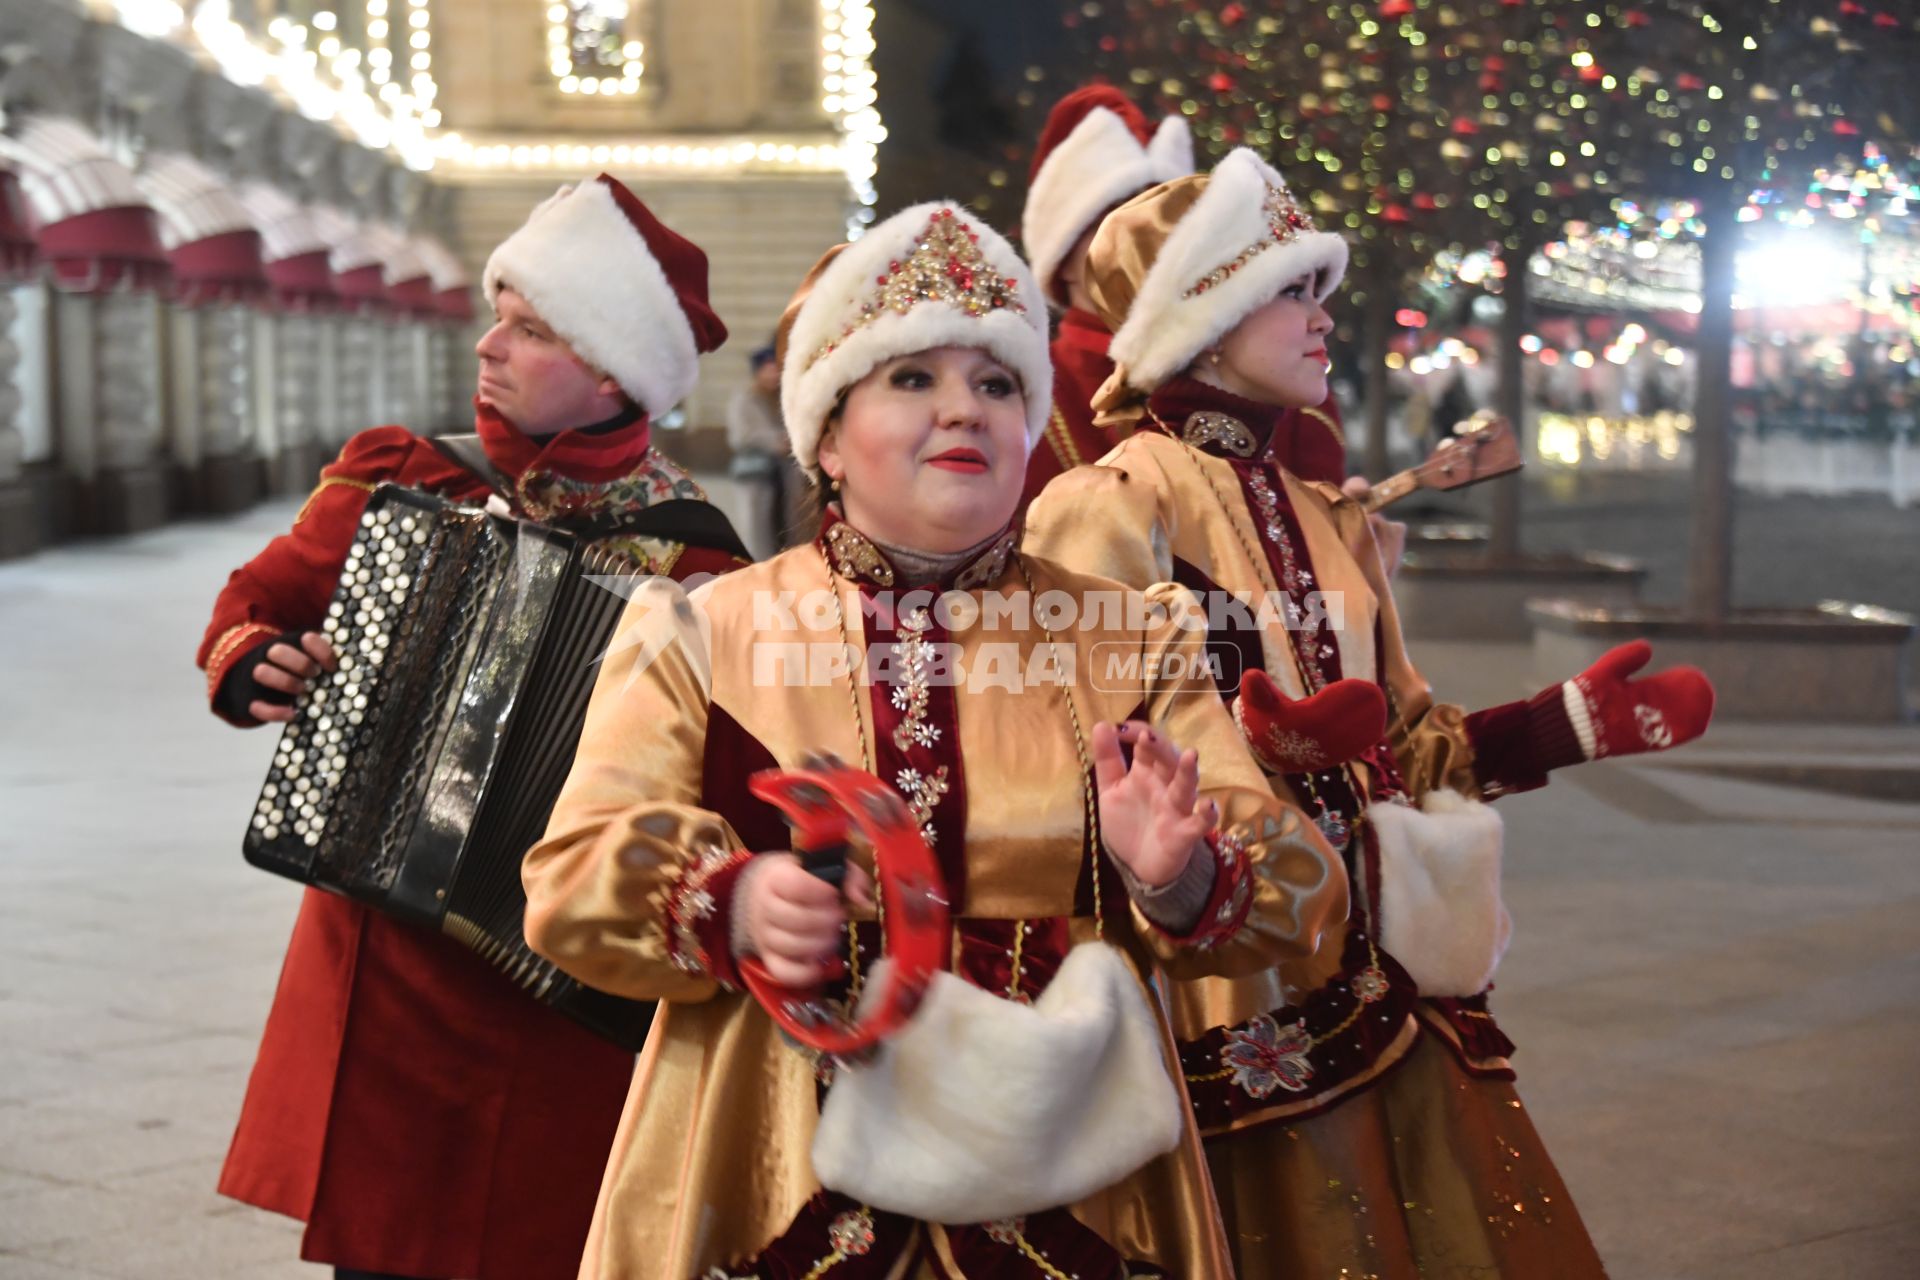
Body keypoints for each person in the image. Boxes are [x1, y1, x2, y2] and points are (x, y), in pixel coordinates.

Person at [521, 201, 1349, 1277]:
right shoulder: (700, 627)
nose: (964, 409)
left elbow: (1301, 889)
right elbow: (571, 876)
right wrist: (731, 901)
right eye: (912, 378)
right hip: (773, 1159)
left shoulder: (1131, 635)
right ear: (825, 432)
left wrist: (1184, 877)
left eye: (998, 384)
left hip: (1073, 1168)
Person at [1026, 149, 1714, 1277]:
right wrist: (1260, 749)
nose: (1323, 315)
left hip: (1387, 964)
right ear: (1201, 315)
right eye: (1291, 289)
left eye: (1319, 288)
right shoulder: (1108, 502)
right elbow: (1077, 756)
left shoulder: (1324, 512)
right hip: (1218, 988)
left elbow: (1406, 742)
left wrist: (1564, 724)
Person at [195, 174, 745, 1280]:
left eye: (530, 326)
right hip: (387, 955)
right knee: (386, 1243)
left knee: (547, 1232)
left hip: (556, 973)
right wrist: (255, 662)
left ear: (608, 369)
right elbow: (253, 601)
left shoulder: (697, 557)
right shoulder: (406, 472)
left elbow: (717, 770)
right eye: (497, 313)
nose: (489, 345)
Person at [726, 342, 804, 556]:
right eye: (767, 369)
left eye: (776, 369)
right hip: (757, 474)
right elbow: (740, 436)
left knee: (788, 524)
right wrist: (776, 441)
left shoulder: (784, 398)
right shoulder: (744, 399)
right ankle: (761, 566)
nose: (773, 375)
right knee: (758, 527)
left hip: (786, 472)